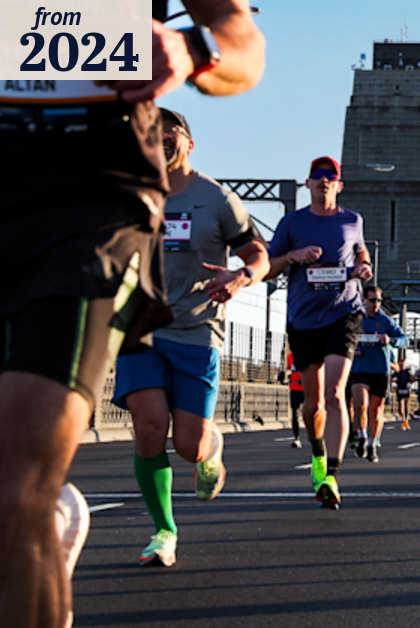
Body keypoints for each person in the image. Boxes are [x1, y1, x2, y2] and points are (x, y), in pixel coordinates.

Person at [0, 2, 264, 623]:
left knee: (16, 490)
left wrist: (195, 51)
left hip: (90, 215)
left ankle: (70, 513)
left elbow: (243, 43)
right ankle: (47, 511)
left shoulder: (211, 196)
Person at [113, 108, 268, 566]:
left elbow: (257, 252)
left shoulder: (216, 198)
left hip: (197, 331)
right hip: (139, 328)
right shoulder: (130, 192)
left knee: (188, 445)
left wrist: (241, 278)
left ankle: (211, 450)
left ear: (190, 143)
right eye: (151, 131)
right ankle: (164, 530)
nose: (160, 136)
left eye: (171, 130)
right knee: (147, 427)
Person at [266, 156, 372, 509]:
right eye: (317, 176)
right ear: (307, 184)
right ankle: (317, 454)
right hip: (303, 319)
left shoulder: (352, 219)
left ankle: (333, 474)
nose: (324, 181)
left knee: (335, 392)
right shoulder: (291, 222)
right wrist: (293, 256)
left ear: (338, 185)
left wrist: (364, 266)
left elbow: (361, 249)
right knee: (312, 405)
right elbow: (267, 268)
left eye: (331, 177)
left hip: (344, 313)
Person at [348, 286, 407, 462]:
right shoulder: (356, 318)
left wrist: (390, 340)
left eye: (379, 301)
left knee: (376, 410)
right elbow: (342, 336)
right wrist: (353, 348)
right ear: (364, 299)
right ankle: (361, 435)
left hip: (380, 369)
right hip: (359, 368)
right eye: (373, 300)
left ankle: (372, 444)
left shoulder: (386, 321)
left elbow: (404, 338)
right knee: (361, 405)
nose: (376, 304)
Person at [287, 352, 305, 448]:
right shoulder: (290, 356)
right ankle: (296, 437)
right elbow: (290, 369)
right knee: (295, 413)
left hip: (307, 388)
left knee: (309, 413)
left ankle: (315, 436)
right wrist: (284, 373)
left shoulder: (308, 354)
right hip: (294, 387)